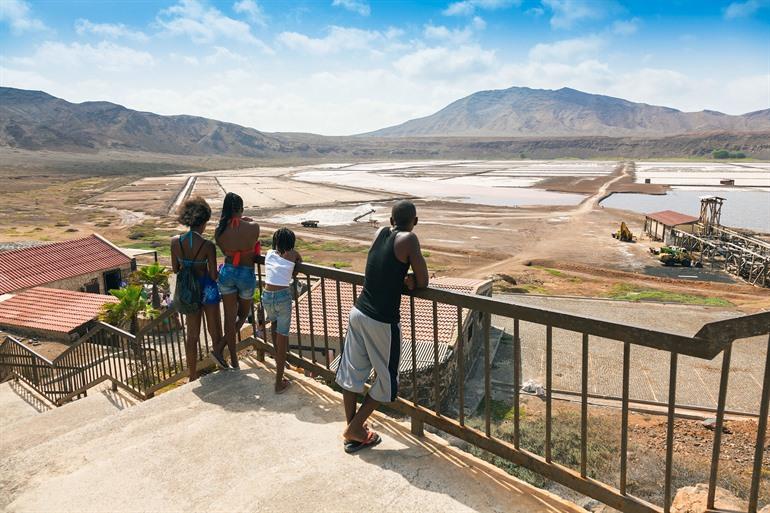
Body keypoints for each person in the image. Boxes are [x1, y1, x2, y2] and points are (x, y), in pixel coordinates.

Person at [335, 200, 429, 453]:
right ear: (415, 222)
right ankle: (355, 428)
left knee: (352, 372)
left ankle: (354, 432)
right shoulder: (410, 239)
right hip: (382, 319)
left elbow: (382, 267)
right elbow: (424, 281)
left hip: (359, 311)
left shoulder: (380, 233)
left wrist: (401, 278)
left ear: (390, 221)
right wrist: (409, 280)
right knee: (388, 379)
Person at [170, 196, 222, 381]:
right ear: (204, 220)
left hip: (189, 292)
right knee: (214, 329)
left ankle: (192, 375)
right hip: (207, 289)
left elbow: (176, 269)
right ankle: (221, 365)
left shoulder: (175, 242)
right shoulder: (208, 245)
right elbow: (213, 275)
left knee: (191, 335)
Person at [214, 192, 260, 370]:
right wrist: (246, 220)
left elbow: (225, 250)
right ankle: (219, 348)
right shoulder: (253, 227)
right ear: (240, 209)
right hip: (246, 273)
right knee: (242, 316)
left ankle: (232, 360)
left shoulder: (219, 232)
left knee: (229, 318)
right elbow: (251, 241)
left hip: (227, 273)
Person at [262, 227, 302, 394]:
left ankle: (278, 358)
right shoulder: (293, 255)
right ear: (291, 243)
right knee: (282, 337)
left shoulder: (269, 253)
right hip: (282, 297)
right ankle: (279, 383)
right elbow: (297, 267)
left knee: (274, 326)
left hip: (267, 296)